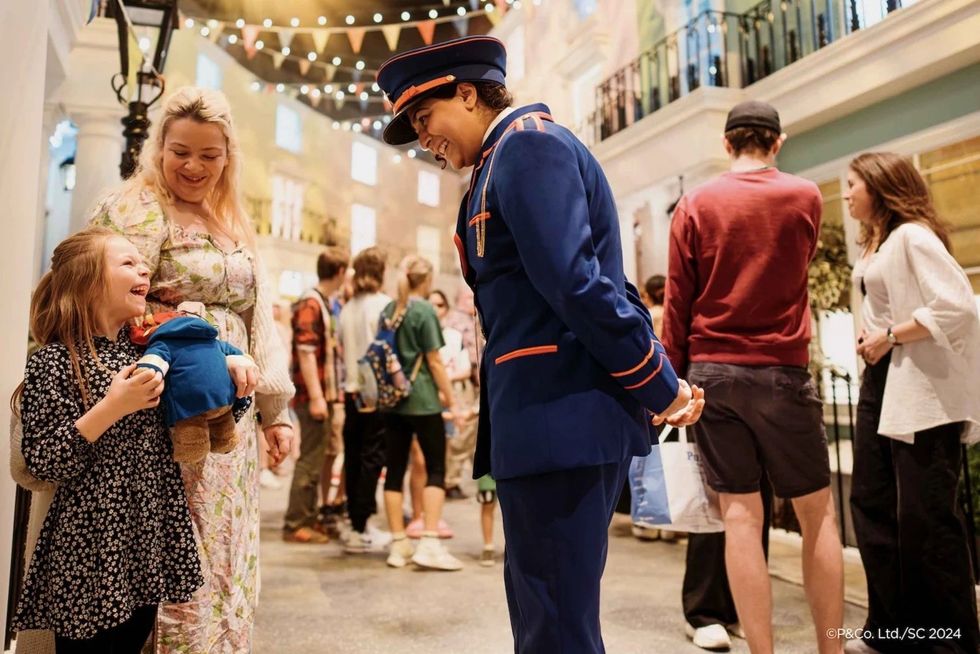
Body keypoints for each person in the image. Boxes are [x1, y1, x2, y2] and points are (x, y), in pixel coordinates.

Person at [378, 36, 703, 651]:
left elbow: (580, 287)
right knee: (545, 614)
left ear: (467, 93)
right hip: (546, 418)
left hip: (562, 414)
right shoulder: (503, 156)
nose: (424, 138)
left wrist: (659, 382)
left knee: (555, 624)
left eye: (425, 119)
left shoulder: (527, 146)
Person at [89, 86, 294, 652]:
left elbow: (261, 318)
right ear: (158, 148)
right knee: (181, 545)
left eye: (209, 154)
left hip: (236, 409)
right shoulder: (137, 207)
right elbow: (107, 299)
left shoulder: (230, 218)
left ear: (228, 157)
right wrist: (193, 331)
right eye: (181, 151)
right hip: (166, 407)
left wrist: (276, 411)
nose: (194, 166)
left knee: (225, 545)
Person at [661, 100, 843, 654]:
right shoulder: (805, 196)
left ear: (727, 144)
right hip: (782, 370)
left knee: (740, 516)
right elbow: (798, 262)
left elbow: (678, 303)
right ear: (777, 142)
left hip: (713, 373)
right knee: (817, 514)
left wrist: (666, 383)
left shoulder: (694, 204)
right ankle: (830, 650)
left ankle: (761, 651)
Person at [11, 227, 205, 652]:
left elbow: (200, 411)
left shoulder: (151, 353)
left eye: (142, 261)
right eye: (128, 262)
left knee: (133, 641)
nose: (145, 268)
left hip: (147, 531)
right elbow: (44, 462)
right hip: (90, 543)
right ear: (88, 281)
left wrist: (235, 376)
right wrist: (113, 406)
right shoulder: (54, 361)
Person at [844, 152, 980, 654]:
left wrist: (890, 335)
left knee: (927, 514)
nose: (846, 193)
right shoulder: (879, 242)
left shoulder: (913, 237)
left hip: (922, 392)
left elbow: (957, 305)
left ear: (879, 186)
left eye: (853, 184)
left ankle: (952, 643)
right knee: (872, 504)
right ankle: (893, 629)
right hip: (881, 384)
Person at [381, 255, 465, 571]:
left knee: (394, 470)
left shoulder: (390, 309)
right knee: (435, 469)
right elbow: (434, 361)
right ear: (427, 280)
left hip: (392, 401)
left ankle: (399, 544)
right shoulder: (425, 310)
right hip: (424, 401)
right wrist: (452, 402)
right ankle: (429, 541)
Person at [282, 247, 348, 543]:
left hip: (323, 394)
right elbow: (306, 354)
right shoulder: (312, 303)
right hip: (313, 397)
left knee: (317, 456)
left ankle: (307, 518)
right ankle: (296, 523)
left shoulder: (322, 302)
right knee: (309, 460)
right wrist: (319, 398)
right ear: (341, 273)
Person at [338, 247, 393, 553]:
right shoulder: (384, 306)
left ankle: (355, 522)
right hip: (376, 392)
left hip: (352, 390)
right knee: (373, 458)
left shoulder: (347, 308)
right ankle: (363, 526)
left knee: (355, 454)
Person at [429, 288, 478, 500]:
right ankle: (447, 480)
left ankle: (449, 480)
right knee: (451, 436)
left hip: (456, 384)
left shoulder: (452, 331)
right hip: (443, 385)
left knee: (456, 435)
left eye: (439, 305)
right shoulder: (455, 326)